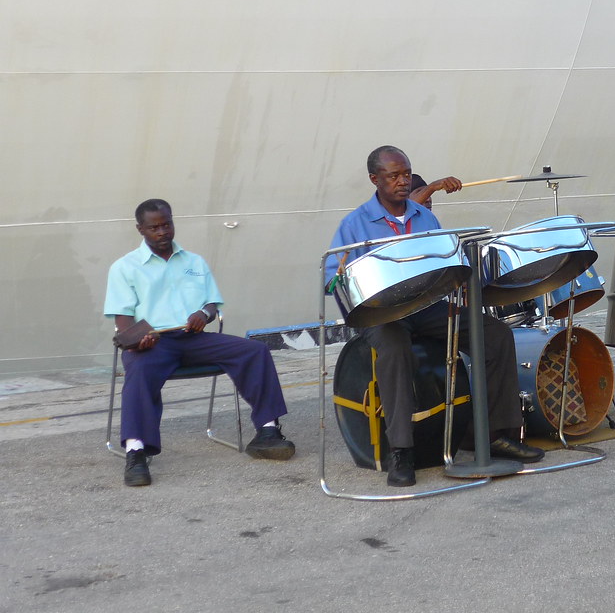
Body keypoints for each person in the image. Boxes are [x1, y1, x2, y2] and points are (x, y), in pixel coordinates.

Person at [325, 146, 543, 487]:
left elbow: (443, 262)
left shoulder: (425, 217)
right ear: (375, 179)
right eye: (393, 176)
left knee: (494, 334)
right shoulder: (354, 224)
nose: (402, 181)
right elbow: (332, 275)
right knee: (395, 349)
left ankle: (494, 434)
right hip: (381, 315)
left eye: (406, 174)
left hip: (425, 307)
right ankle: (402, 451)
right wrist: (339, 277)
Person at [104, 199, 295, 487]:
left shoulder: (194, 262)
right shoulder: (124, 267)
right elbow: (122, 320)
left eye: (166, 224)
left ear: (172, 221)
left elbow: (212, 306)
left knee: (255, 351)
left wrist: (203, 314)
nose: (162, 231)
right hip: (153, 343)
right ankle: (136, 452)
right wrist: (137, 341)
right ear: (140, 229)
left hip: (194, 339)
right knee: (139, 371)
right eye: (153, 227)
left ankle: (268, 432)